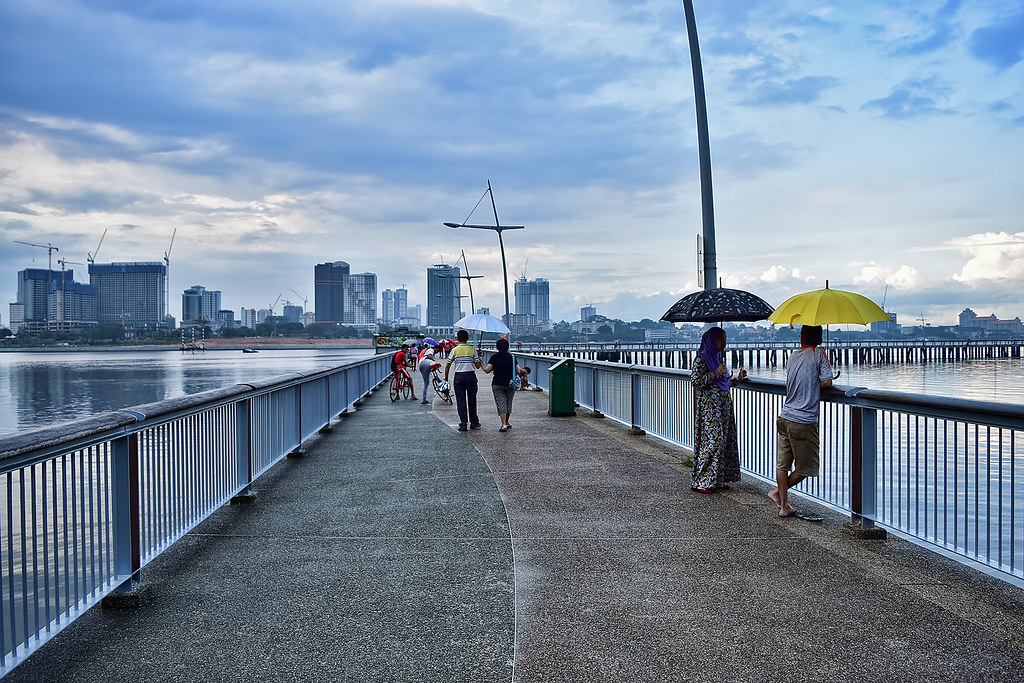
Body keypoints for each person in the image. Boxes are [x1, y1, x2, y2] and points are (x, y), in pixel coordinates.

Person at [769, 324, 834, 517]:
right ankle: (776, 493)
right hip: (804, 420)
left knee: (783, 464)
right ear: (820, 339)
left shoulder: (793, 356)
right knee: (806, 468)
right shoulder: (819, 354)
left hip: (785, 416)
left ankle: (784, 506)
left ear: (801, 339)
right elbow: (827, 382)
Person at [690, 327, 746, 493]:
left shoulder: (717, 358)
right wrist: (715, 373)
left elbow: (724, 383)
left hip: (724, 407)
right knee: (713, 442)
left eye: (725, 339)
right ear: (712, 340)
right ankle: (701, 481)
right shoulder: (702, 359)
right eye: (721, 339)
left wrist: (737, 379)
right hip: (710, 409)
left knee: (725, 442)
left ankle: (717, 479)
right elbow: (696, 381)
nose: (725, 342)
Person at [444, 329, 482, 431]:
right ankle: (474, 422)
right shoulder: (472, 350)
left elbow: (448, 365)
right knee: (472, 399)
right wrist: (479, 355)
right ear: (468, 338)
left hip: (459, 377)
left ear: (457, 338)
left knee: (461, 400)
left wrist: (446, 378)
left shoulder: (454, 350)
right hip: (470, 376)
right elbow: (478, 366)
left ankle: (464, 423)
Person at [481, 338, 516, 431]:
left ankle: (503, 424)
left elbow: (487, 370)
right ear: (507, 347)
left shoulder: (494, 357)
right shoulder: (512, 357)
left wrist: (480, 361)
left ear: (497, 347)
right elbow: (518, 371)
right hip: (510, 384)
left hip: (497, 383)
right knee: (509, 403)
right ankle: (507, 422)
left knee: (501, 403)